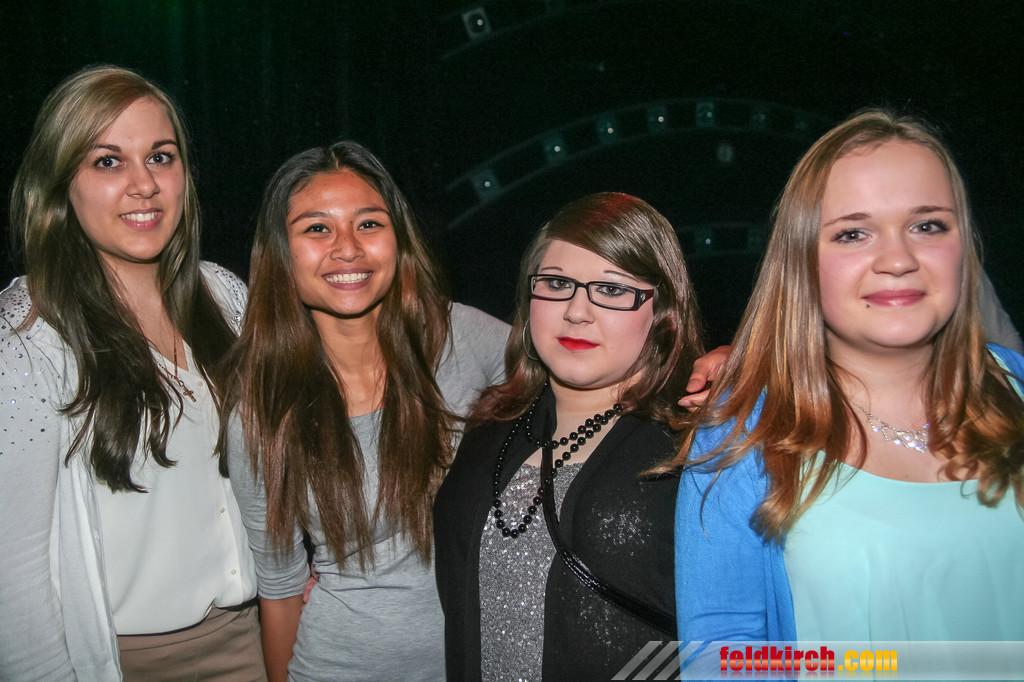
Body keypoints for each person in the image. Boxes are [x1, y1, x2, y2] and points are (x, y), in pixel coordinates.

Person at [670, 110, 1024, 652]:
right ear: (802, 262)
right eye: (853, 233)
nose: (898, 259)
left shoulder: (1016, 387)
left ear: (964, 245)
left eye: (927, 225)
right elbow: (724, 652)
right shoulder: (740, 437)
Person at [0, 66, 262, 680]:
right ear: (61, 184)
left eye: (161, 157)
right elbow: (13, 573)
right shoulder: (26, 338)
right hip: (123, 663)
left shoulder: (224, 296)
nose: (144, 184)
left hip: (253, 642)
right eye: (108, 162)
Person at [221, 140, 509, 681]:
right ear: (282, 255)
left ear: (398, 240)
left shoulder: (457, 336)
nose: (348, 248)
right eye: (317, 229)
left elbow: (577, 375)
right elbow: (280, 590)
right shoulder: (263, 409)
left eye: (369, 224)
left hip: (479, 663)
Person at [434, 192, 705, 680]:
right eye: (557, 284)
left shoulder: (696, 445)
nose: (577, 311)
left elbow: (752, 640)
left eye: (613, 289)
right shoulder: (489, 427)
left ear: (663, 312)